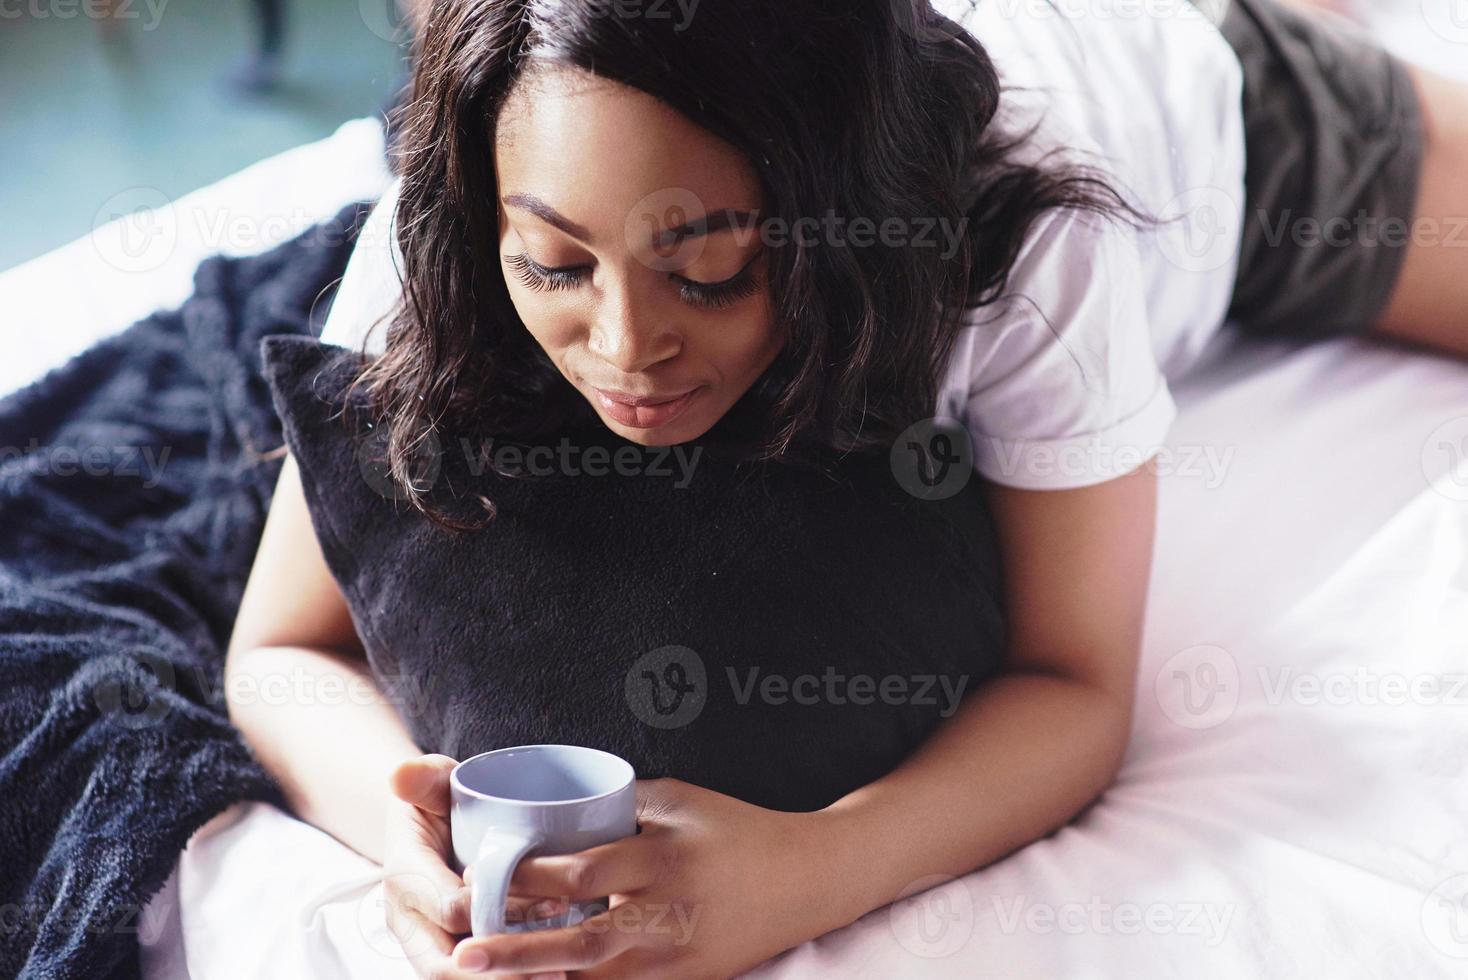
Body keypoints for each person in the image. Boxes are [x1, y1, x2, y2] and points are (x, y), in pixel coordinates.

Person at [226, 0, 1468, 976]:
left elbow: (1077, 684)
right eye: (554, 263)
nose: (623, 346)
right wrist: (406, 842)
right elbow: (280, 649)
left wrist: (812, 867)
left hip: (1217, 112)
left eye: (707, 272)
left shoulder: (1021, 236)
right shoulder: (435, 234)